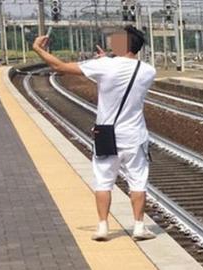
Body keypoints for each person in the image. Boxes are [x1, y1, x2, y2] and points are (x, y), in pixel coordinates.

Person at [32, 25, 156, 242]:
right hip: (134, 135)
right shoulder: (147, 71)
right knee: (138, 181)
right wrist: (104, 61)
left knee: (103, 180)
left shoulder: (103, 66)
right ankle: (138, 226)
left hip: (105, 133)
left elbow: (59, 66)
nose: (111, 42)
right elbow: (120, 78)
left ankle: (102, 227)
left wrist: (38, 49)